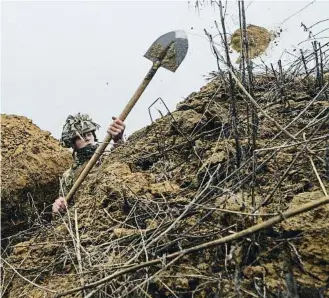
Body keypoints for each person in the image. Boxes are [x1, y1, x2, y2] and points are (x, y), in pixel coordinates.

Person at [52, 113, 125, 213]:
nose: (87, 138)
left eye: (89, 134)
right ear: (73, 144)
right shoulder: (68, 176)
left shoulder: (108, 157)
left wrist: (118, 140)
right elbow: (65, 210)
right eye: (79, 137)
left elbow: (124, 164)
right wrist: (59, 208)